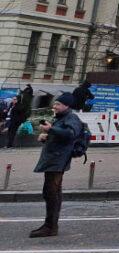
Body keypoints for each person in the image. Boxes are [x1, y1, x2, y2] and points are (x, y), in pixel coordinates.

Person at [30, 92, 83, 238]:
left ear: (67, 105)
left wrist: (50, 129)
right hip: (54, 159)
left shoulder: (71, 118)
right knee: (51, 192)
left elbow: (70, 134)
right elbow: (61, 137)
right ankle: (50, 225)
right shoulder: (62, 117)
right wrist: (46, 137)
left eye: (58, 104)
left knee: (51, 192)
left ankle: (50, 227)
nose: (55, 106)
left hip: (58, 160)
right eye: (55, 104)